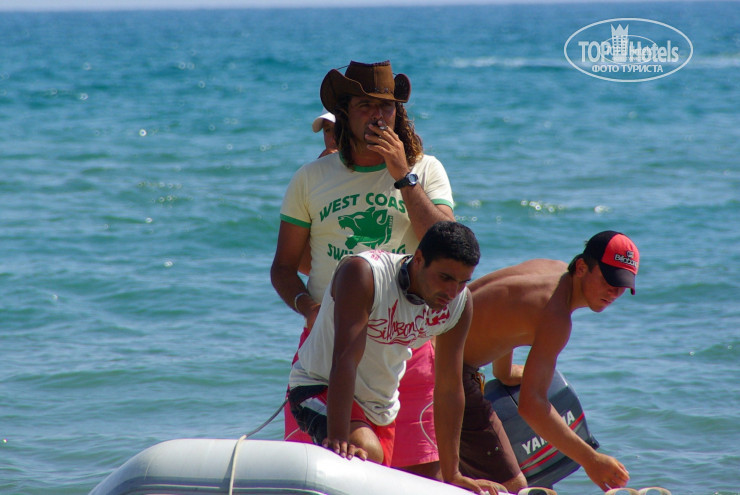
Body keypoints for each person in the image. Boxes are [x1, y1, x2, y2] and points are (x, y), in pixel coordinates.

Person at [271, 60, 456, 478]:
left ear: (398, 112)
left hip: (406, 349)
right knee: (315, 474)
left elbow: (446, 247)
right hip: (327, 347)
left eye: (386, 106)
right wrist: (307, 306)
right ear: (344, 113)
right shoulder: (311, 178)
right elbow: (284, 266)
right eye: (364, 106)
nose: (377, 116)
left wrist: (402, 175)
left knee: (420, 478)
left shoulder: (426, 170)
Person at [287, 221, 499, 495]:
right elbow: (345, 360)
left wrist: (453, 474)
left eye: (463, 282)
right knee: (368, 451)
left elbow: (449, 386)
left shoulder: (459, 304)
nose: (452, 292)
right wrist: (338, 438)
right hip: (319, 387)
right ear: (419, 259)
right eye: (445, 278)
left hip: (381, 410)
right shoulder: (363, 273)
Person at [459, 230, 640, 492]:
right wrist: (591, 460)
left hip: (427, 344)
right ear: (582, 267)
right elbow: (531, 405)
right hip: (446, 370)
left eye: (622, 285)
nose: (614, 292)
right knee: (514, 486)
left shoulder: (550, 270)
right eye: (608, 280)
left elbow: (504, 312)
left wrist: (504, 372)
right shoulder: (556, 317)